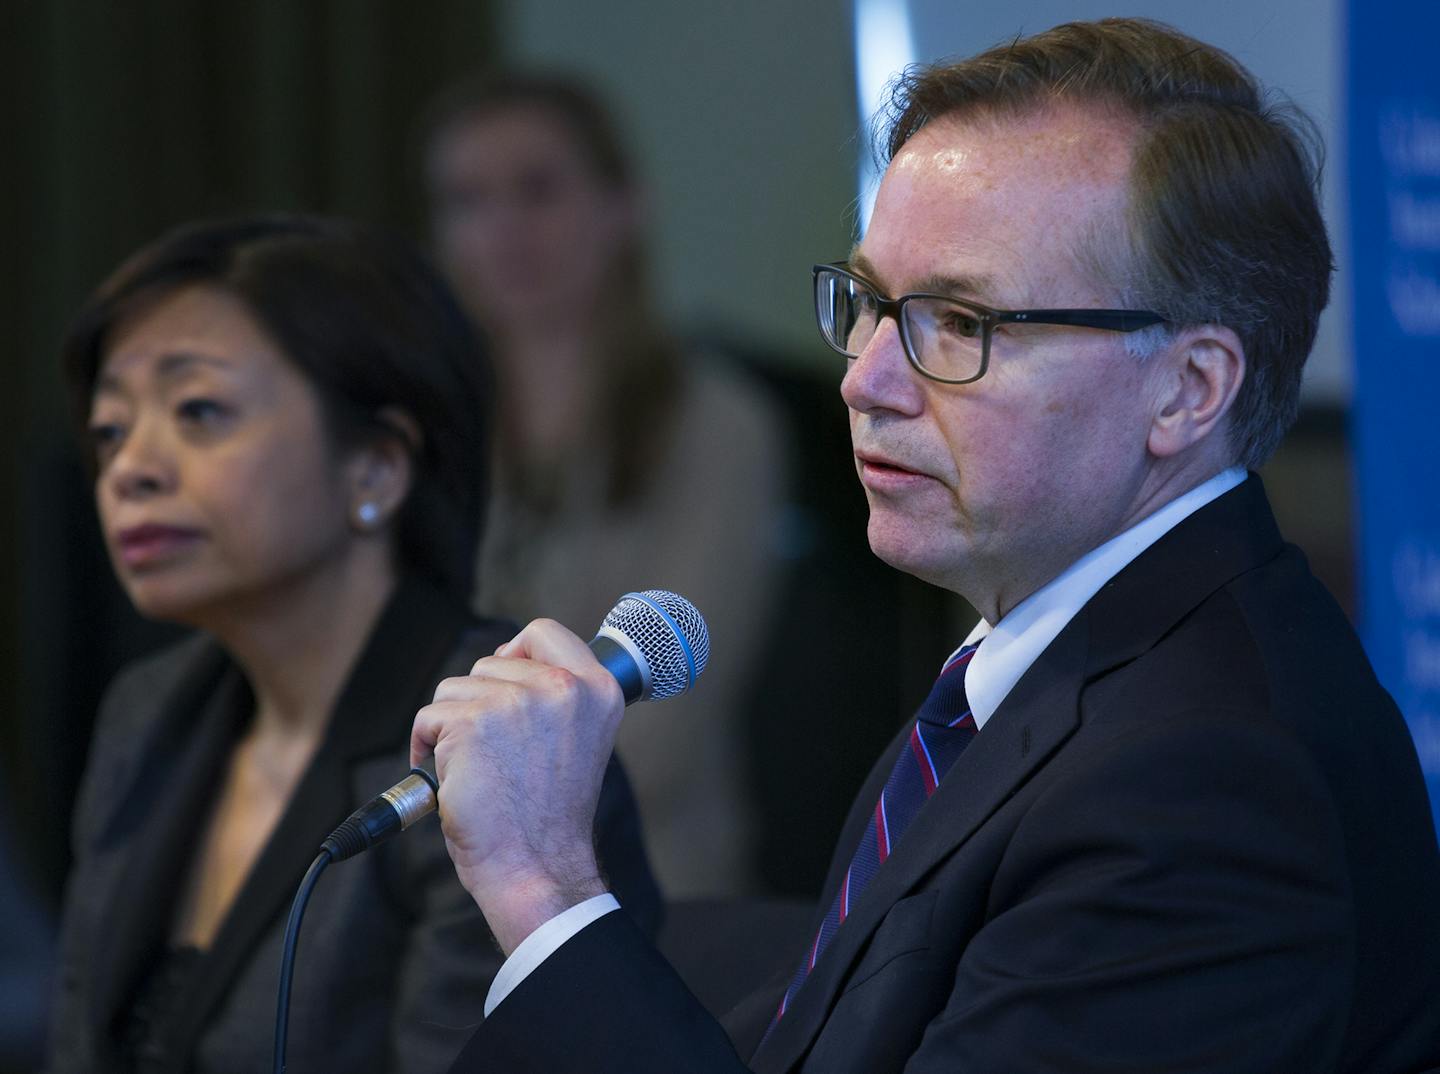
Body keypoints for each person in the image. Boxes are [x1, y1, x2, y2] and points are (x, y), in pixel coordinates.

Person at [411, 18, 1440, 1074]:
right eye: (869, 303)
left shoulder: (1208, 784)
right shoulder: (1037, 674)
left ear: (1188, 390)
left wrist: (544, 889)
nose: (866, 379)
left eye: (959, 322)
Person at [46, 215, 660, 1074]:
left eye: (197, 411)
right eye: (111, 429)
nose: (130, 468)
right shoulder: (148, 712)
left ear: (375, 467)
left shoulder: (503, 740)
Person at [420, 74, 791, 897]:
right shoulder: (424, 431)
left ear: (624, 206)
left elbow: (664, 734)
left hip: (651, 886)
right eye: (467, 201)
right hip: (442, 887)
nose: (503, 229)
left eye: (538, 189)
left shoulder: (719, 422)